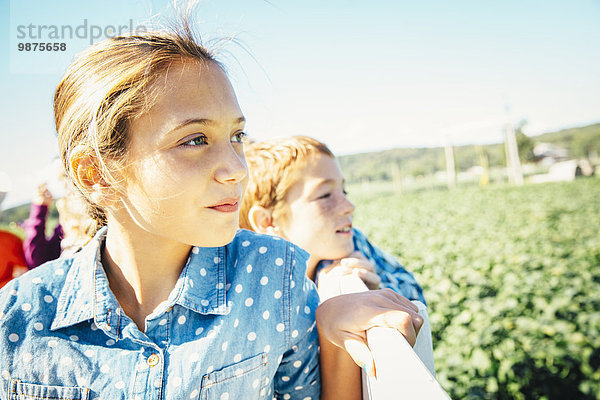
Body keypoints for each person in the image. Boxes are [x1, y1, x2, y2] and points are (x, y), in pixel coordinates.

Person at [0, 26, 422, 400]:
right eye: (195, 139)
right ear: (96, 173)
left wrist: (332, 332)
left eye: (237, 135)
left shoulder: (276, 277)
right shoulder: (16, 317)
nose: (239, 168)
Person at [240, 135, 426, 304]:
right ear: (268, 221)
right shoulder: (256, 298)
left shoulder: (351, 243)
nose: (349, 206)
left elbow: (415, 294)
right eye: (325, 195)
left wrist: (378, 291)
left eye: (344, 192)